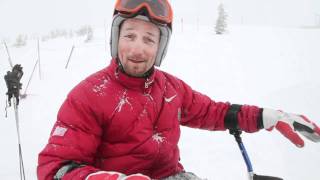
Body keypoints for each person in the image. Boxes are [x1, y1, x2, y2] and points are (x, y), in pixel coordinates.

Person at [37, 0, 320, 180]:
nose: (137, 48)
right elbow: (56, 169)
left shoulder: (170, 88)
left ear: (160, 48)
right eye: (129, 35)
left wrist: (265, 116)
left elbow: (213, 112)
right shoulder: (88, 95)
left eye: (149, 39)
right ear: (115, 39)